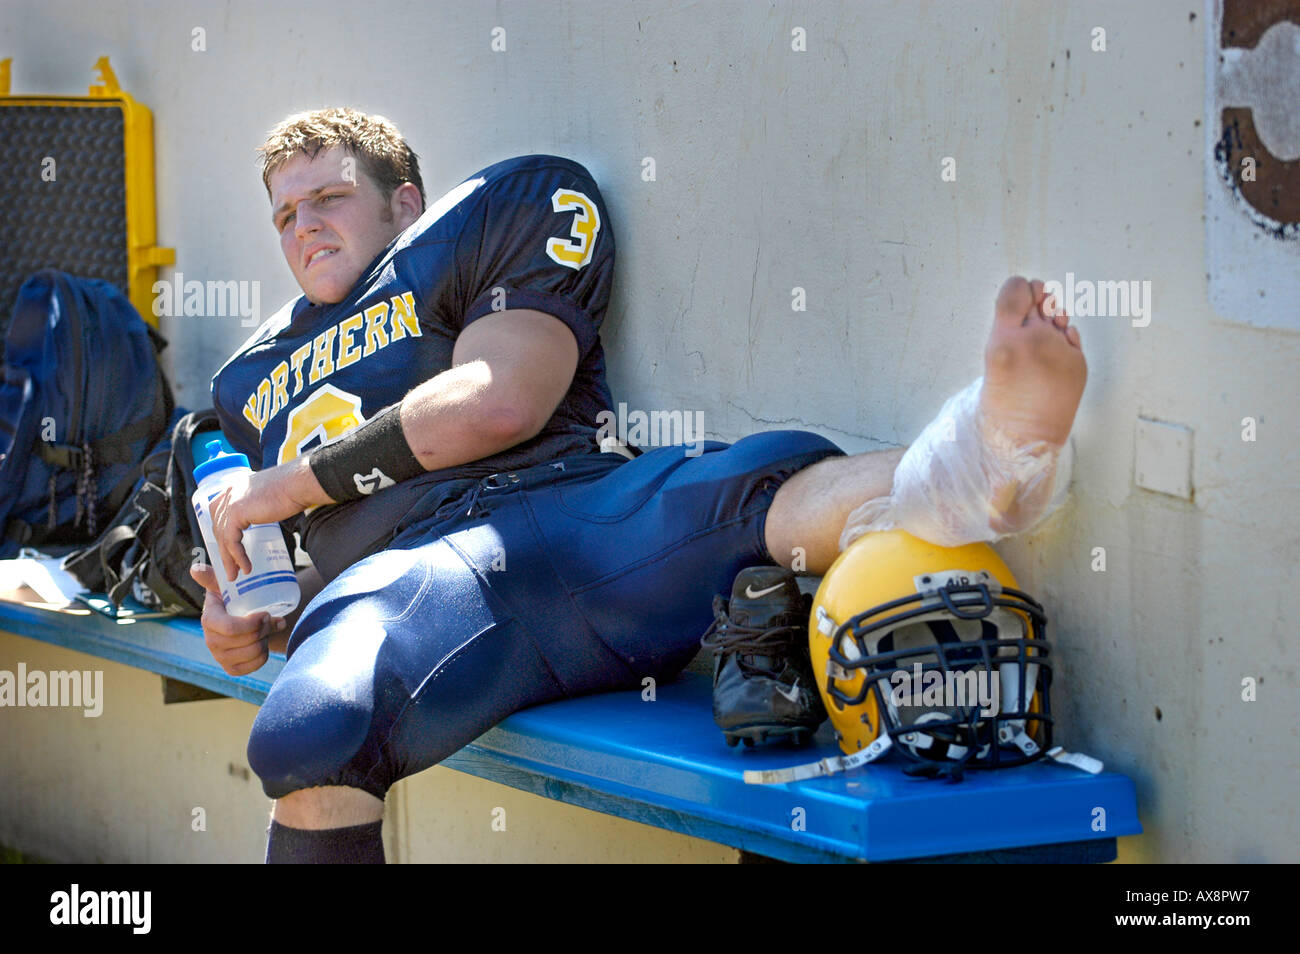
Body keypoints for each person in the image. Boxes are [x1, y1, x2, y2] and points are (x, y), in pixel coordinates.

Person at [191, 107, 1086, 863]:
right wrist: (253, 621)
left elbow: (501, 400)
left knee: (747, 480)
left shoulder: (482, 221)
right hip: (408, 589)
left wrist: (282, 486)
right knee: (308, 735)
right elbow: (315, 558)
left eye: (329, 197)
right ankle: (971, 469)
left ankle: (988, 463)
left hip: (573, 518)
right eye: (284, 215)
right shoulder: (247, 380)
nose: (303, 224)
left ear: (407, 204)